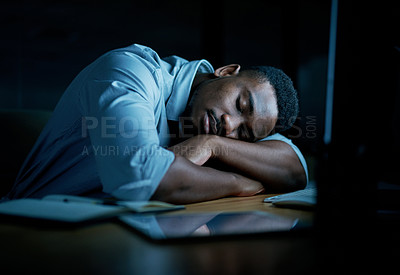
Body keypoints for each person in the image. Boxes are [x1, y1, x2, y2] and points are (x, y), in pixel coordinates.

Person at [3, 44, 308, 204]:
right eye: (241, 105)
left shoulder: (212, 131)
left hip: (117, 234)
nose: (230, 125)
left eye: (244, 133)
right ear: (226, 71)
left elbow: (295, 168)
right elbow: (142, 177)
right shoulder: (131, 71)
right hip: (31, 229)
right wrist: (240, 184)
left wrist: (212, 145)